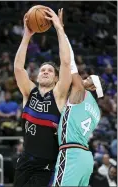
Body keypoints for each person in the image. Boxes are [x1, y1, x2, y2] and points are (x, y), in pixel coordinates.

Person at [13, 7, 72, 187]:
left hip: (46, 164)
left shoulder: (59, 94)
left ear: (56, 78)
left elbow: (66, 63)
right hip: (24, 160)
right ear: (37, 76)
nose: (45, 72)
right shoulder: (29, 92)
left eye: (49, 71)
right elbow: (18, 68)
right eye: (42, 70)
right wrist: (26, 36)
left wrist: (59, 29)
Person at [51, 9, 106, 187]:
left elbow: (69, 61)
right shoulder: (97, 111)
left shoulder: (81, 92)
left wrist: (61, 30)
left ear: (91, 86)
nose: (85, 77)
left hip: (71, 154)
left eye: (89, 78)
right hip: (86, 159)